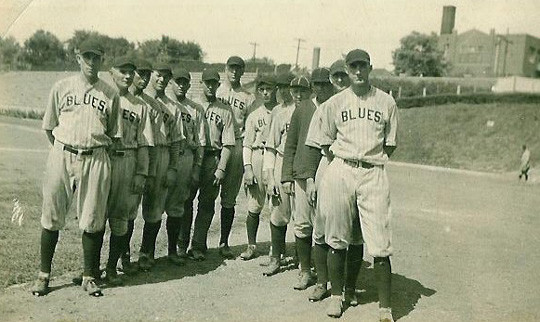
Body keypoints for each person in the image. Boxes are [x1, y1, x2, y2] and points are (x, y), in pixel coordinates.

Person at [309, 49, 398, 321]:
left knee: (379, 242)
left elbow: (390, 144)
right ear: (347, 71)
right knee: (336, 237)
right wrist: (343, 163)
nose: (358, 71)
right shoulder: (335, 103)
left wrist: (368, 162)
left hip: (372, 171)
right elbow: (325, 141)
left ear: (370, 67)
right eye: (353, 67)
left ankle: (385, 307)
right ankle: (337, 297)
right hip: (342, 168)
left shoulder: (386, 102)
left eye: (362, 66)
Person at [32, 39, 121, 297]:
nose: (92, 62)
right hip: (63, 151)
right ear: (78, 58)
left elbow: (113, 134)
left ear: (102, 60)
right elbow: (49, 127)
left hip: (95, 155)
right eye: (87, 57)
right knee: (51, 214)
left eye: (97, 57)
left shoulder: (110, 93)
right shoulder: (61, 87)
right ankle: (44, 275)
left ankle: (89, 276)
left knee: (92, 219)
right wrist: (64, 148)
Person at [104, 57, 153, 286]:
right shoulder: (102, 96)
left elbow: (144, 143)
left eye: (130, 72)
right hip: (103, 158)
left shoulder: (140, 105)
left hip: (127, 159)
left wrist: (141, 173)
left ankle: (112, 267)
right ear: (111, 72)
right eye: (122, 71)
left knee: (122, 218)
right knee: (95, 216)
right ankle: (90, 270)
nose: (127, 76)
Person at [138, 63, 183, 271]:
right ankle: (122, 257)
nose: (162, 80)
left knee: (155, 208)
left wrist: (173, 168)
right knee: (128, 208)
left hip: (161, 153)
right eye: (158, 75)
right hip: (138, 153)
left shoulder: (172, 106)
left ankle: (146, 252)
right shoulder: (140, 101)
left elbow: (176, 141)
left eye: (166, 77)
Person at [190, 69, 236, 261]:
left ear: (218, 85)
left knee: (207, 204)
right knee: (185, 202)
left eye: (214, 83)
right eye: (207, 82)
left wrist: (221, 168)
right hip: (192, 157)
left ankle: (198, 245)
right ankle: (180, 246)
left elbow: (229, 143)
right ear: (200, 83)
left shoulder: (224, 110)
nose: (210, 86)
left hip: (212, 158)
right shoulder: (191, 105)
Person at [215, 56, 257, 258]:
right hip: (216, 145)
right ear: (225, 69)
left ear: (243, 72)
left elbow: (250, 126)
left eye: (238, 69)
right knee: (205, 196)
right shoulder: (216, 90)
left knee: (229, 199)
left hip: (237, 143)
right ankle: (195, 244)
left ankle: (224, 241)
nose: (234, 72)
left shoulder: (248, 97)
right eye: (231, 68)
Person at [167, 68, 205, 259]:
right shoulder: (163, 104)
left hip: (186, 156)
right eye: (177, 82)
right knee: (155, 206)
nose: (181, 85)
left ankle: (177, 248)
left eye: (184, 82)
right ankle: (146, 252)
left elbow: (200, 143)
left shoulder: (195, 108)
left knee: (182, 204)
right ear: (171, 83)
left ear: (189, 84)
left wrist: (197, 168)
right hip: (165, 156)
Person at [240, 74, 278, 260]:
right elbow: (247, 144)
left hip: (275, 159)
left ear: (275, 90)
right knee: (254, 205)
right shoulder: (254, 115)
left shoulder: (282, 112)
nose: (265, 93)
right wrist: (247, 168)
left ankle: (275, 248)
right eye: (262, 89)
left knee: (276, 206)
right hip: (257, 156)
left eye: (269, 89)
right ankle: (251, 245)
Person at [262, 72, 296, 276]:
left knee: (303, 216)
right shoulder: (278, 112)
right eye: (281, 87)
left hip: (300, 164)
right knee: (278, 211)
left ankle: (303, 259)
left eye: (288, 87)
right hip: (282, 161)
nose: (285, 91)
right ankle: (276, 256)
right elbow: (271, 146)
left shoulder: (308, 110)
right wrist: (270, 175)